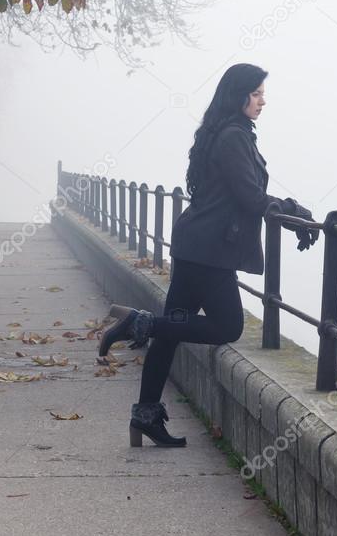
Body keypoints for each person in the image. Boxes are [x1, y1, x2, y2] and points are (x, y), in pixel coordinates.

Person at [98, 63, 319, 448]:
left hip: (197, 244)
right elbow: (249, 197)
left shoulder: (223, 131)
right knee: (227, 327)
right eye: (256, 93)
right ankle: (138, 324)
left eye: (262, 93)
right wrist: (293, 211)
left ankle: (145, 417)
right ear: (238, 95)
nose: (263, 100)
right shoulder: (233, 136)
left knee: (171, 330)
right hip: (207, 252)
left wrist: (288, 212)